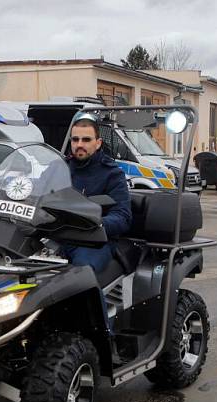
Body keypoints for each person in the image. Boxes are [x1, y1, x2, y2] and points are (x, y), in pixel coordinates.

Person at [61, 112, 132, 333]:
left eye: (86, 140)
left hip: (95, 241)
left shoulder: (112, 174)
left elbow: (123, 216)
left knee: (80, 275)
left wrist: (97, 223)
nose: (79, 145)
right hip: (60, 236)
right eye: (75, 140)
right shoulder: (59, 169)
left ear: (98, 143)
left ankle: (101, 337)